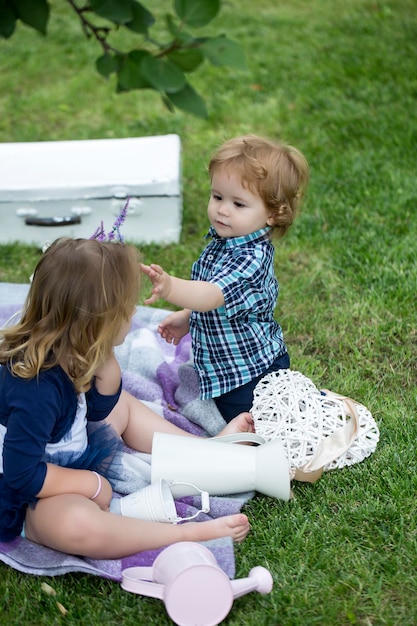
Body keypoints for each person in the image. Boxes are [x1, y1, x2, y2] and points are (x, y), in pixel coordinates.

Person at [0, 237, 253, 559]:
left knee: (124, 405)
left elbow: (90, 414)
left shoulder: (77, 352)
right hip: (23, 486)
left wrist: (108, 379)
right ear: (95, 323)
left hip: (59, 450)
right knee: (75, 524)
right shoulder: (36, 391)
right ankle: (187, 533)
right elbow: (22, 473)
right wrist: (90, 484)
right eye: (125, 307)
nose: (133, 311)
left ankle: (207, 453)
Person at [142, 134, 309, 423]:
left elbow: (210, 295)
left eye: (238, 204)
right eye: (217, 196)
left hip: (250, 375)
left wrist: (171, 287)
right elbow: (216, 304)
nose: (222, 209)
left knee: (259, 425)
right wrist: (187, 316)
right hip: (226, 368)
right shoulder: (225, 240)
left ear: (272, 213)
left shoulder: (250, 259)